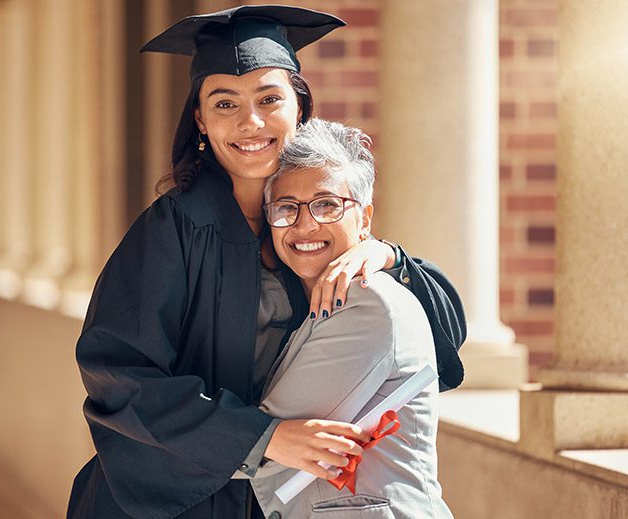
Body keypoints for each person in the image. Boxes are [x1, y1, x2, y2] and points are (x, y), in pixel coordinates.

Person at [67, 5, 465, 518]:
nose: (249, 122)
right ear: (200, 119)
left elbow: (441, 334)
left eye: (269, 98)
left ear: (299, 106)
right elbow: (115, 371)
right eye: (224, 102)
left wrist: (386, 255)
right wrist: (263, 438)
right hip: (173, 504)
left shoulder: (314, 223)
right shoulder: (176, 228)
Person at [245, 118, 453, 518]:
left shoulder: (368, 303)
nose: (306, 225)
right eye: (287, 208)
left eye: (327, 205)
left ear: (364, 219)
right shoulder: (297, 304)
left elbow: (271, 439)